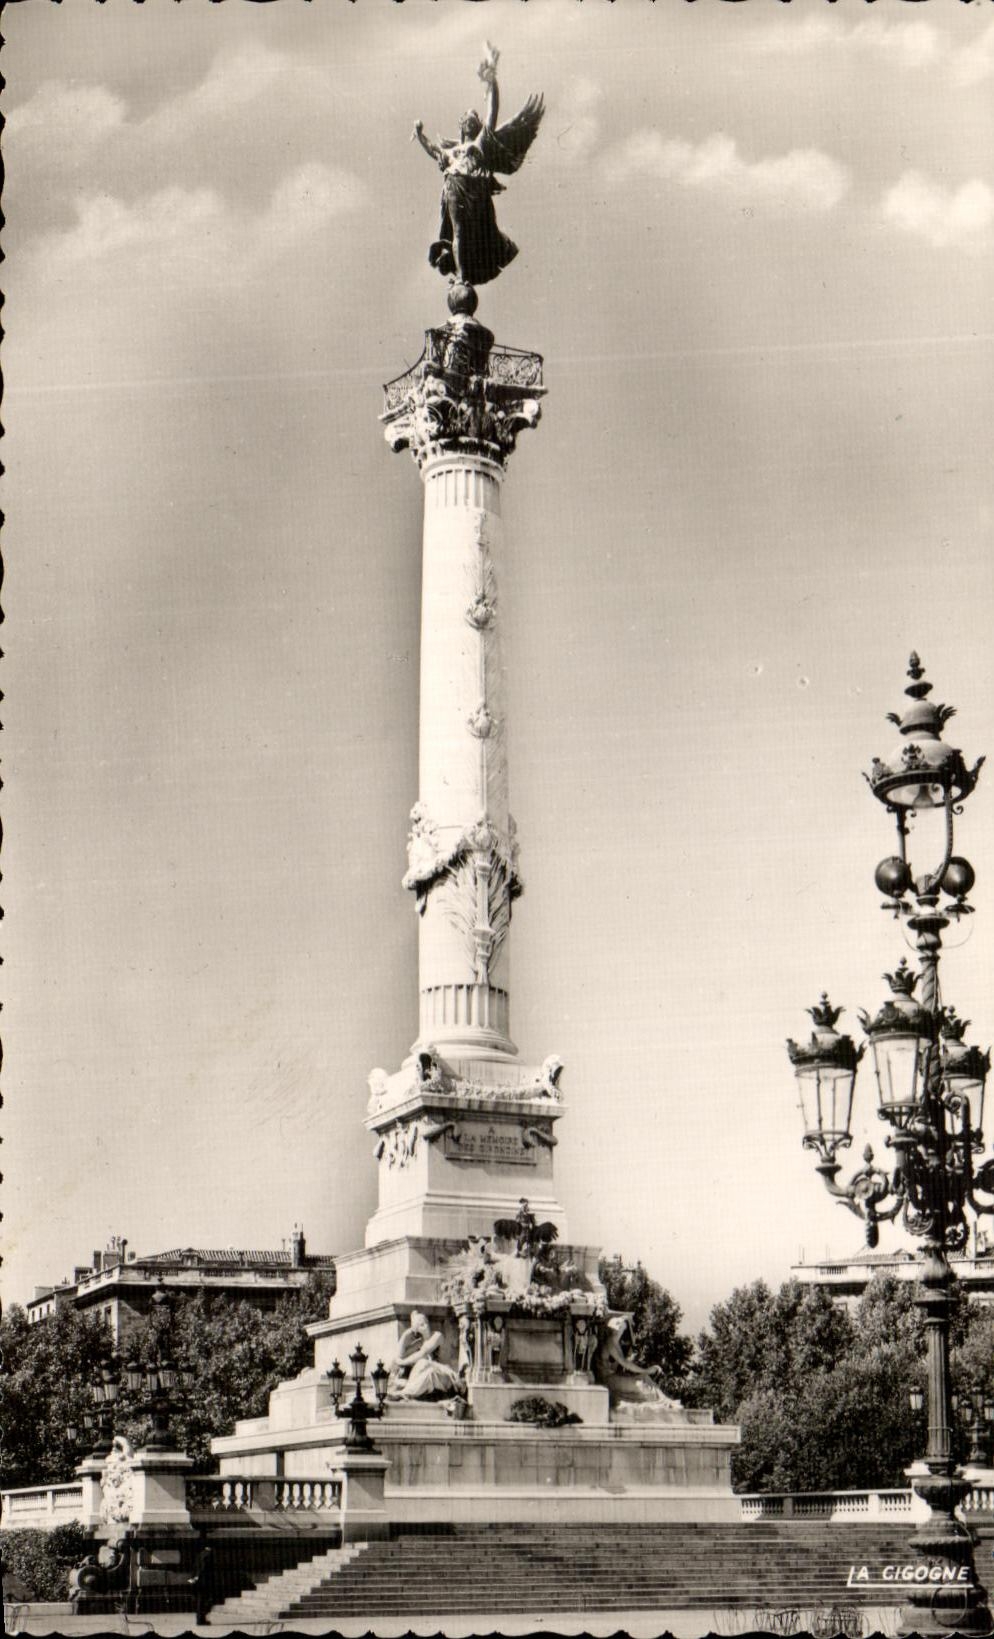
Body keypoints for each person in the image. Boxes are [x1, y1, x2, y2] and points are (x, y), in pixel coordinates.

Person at [412, 46, 543, 288]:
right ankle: (462, 277)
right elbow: (433, 151)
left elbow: (492, 111)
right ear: (462, 126)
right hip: (455, 187)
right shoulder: (451, 152)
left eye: (475, 118)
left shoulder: (482, 143)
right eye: (468, 118)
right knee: (458, 233)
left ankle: (465, 273)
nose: (472, 119)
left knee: (476, 235)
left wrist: (491, 82)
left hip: (476, 193)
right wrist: (420, 134)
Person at [388, 1311, 464, 1400]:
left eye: (426, 1322)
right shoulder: (420, 1342)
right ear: (417, 1330)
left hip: (446, 1374)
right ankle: (408, 1388)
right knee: (423, 1365)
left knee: (425, 1365)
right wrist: (406, 1334)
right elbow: (400, 1355)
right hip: (432, 1373)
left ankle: (405, 1392)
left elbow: (422, 1353)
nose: (426, 1326)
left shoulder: (437, 1336)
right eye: (421, 1325)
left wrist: (402, 1362)